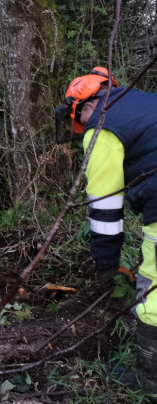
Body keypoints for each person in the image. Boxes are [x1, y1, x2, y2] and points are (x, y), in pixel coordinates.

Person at [61, 66, 157, 395]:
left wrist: (107, 267)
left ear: (85, 107)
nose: (83, 128)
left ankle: (151, 383)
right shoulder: (146, 101)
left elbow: (105, 209)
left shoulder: (101, 125)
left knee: (153, 294)